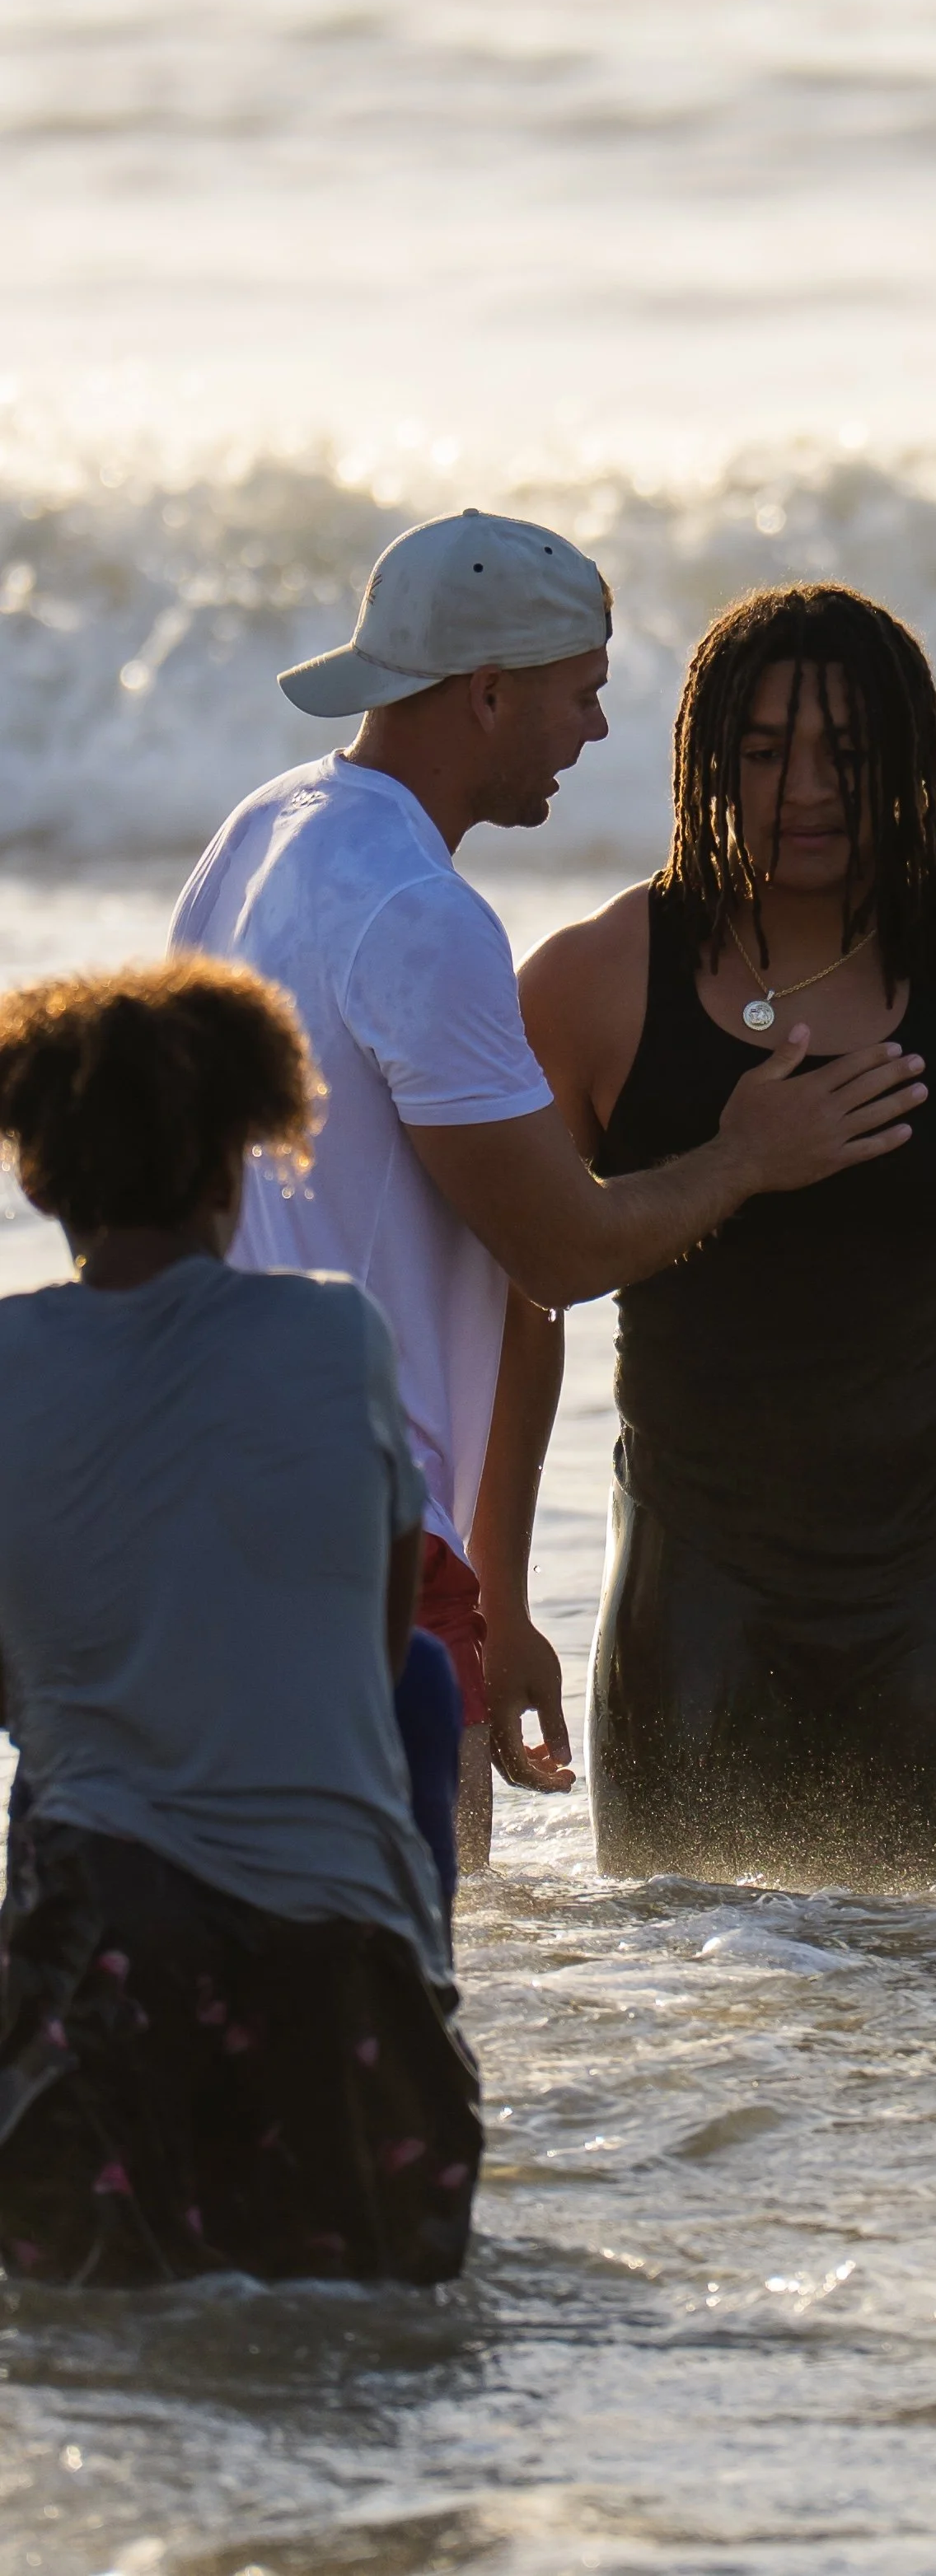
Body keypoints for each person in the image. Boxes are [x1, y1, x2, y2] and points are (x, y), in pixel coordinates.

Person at [172, 511, 927, 1872]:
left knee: (252, 1962)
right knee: (415, 1971)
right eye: (581, 689)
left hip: (220, 1483)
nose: (593, 729)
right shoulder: (422, 915)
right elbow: (562, 1249)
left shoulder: (266, 831)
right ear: (488, 692)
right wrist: (748, 1153)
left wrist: (500, 1596)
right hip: (364, 1521)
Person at [473, 582, 936, 1891]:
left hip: (924, 1599)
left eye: (848, 755)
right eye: (763, 753)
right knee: (698, 2011)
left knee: (919, 2027)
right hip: (693, 1594)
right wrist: (494, 1600)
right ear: (705, 763)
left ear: (911, 764)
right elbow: (525, 1304)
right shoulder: (591, 986)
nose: (805, 789)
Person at [0, 958, 479, 2286]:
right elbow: (373, 1649)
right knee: (426, 1692)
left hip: (106, 1957)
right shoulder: (340, 1340)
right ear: (235, 1166)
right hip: (340, 1971)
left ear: (40, 1181)